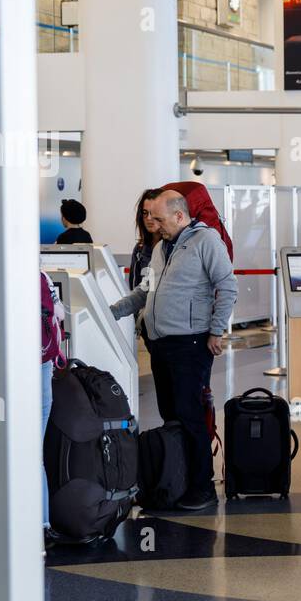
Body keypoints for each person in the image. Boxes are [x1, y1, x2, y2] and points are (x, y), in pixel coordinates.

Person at [109, 190, 237, 511]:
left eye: (160, 219)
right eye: (150, 217)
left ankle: (202, 488)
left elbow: (228, 286)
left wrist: (216, 330)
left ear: (180, 216)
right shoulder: (161, 248)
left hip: (190, 344)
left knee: (191, 416)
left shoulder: (205, 242)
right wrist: (112, 310)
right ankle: (177, 480)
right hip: (162, 344)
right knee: (171, 416)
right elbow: (145, 290)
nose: (154, 224)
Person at [39, 270, 65, 547]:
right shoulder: (42, 277)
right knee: (36, 455)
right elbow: (59, 317)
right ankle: (42, 525)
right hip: (42, 366)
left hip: (7, 373)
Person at [128, 188, 163, 291]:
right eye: (145, 213)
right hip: (144, 305)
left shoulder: (173, 248)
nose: (148, 218)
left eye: (154, 213)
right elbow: (135, 288)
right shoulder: (140, 249)